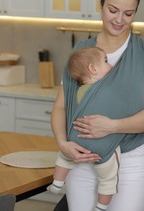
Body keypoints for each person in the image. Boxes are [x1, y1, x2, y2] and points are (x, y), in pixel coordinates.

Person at [52, 0, 144, 211]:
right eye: (113, 10)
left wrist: (112, 126)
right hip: (81, 161)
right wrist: (63, 143)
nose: (119, 20)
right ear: (101, 4)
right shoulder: (81, 52)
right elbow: (61, 107)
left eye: (128, 13)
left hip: (129, 164)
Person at [48, 46, 122, 211]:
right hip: (100, 146)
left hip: (76, 139)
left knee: (65, 156)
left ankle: (57, 183)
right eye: (105, 61)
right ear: (93, 69)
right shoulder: (105, 91)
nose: (110, 64)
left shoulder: (79, 91)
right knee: (109, 178)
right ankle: (101, 206)